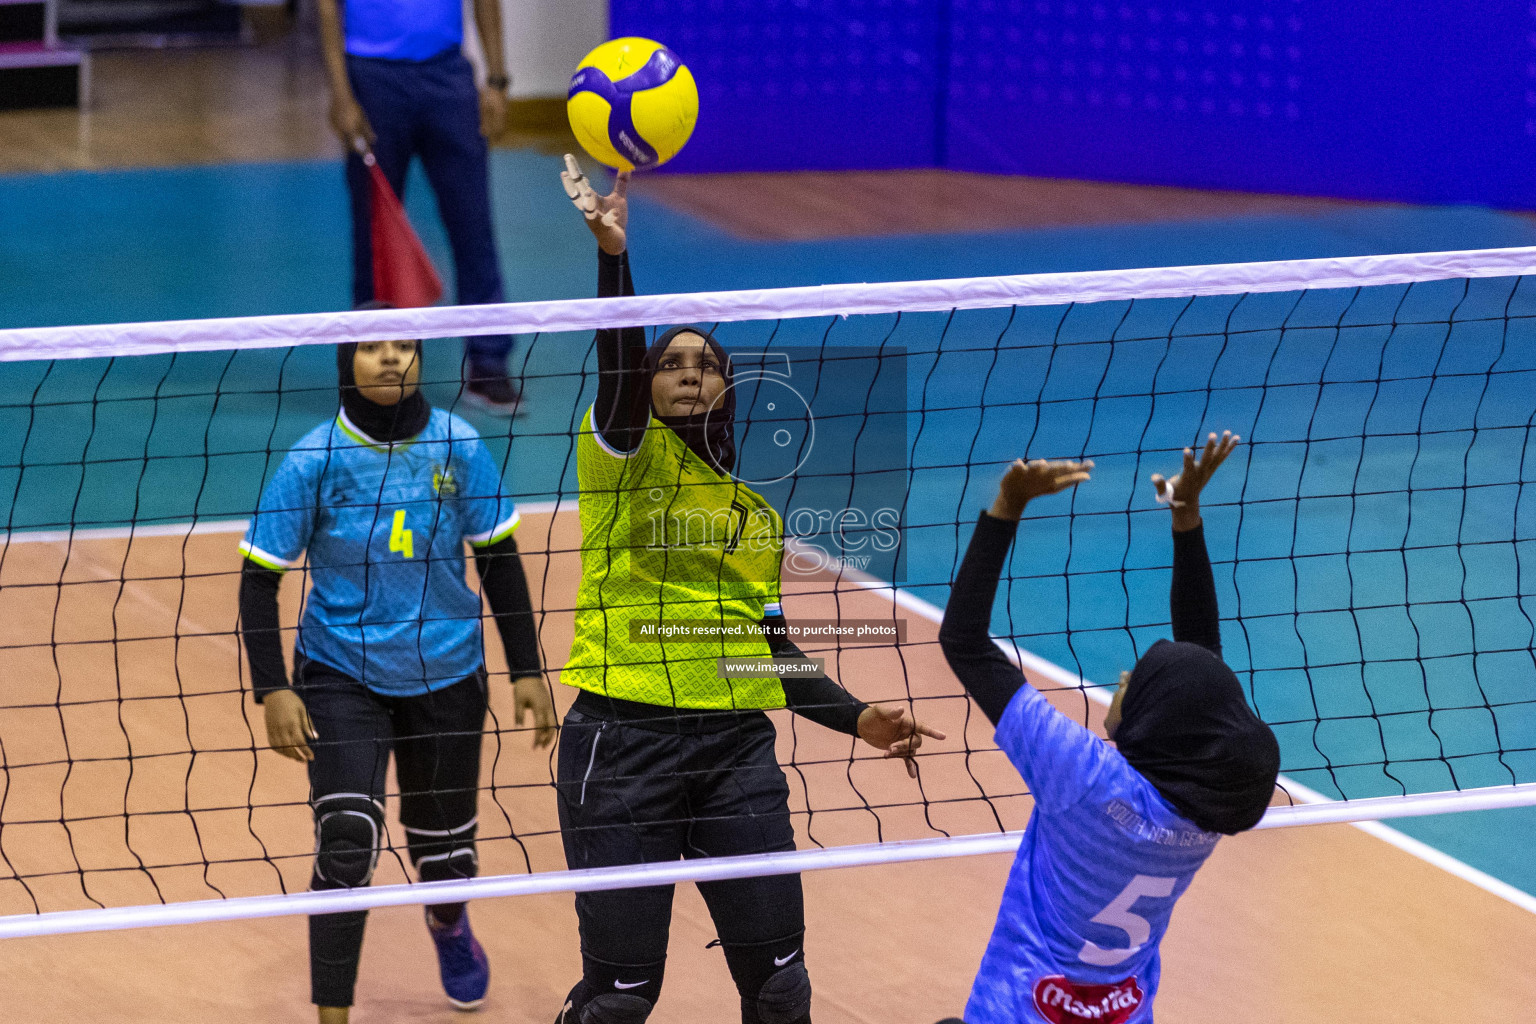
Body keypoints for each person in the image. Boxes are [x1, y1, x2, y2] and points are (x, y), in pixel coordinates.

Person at [553, 153, 946, 1024]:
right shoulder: (624, 457)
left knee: (779, 989)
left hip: (735, 754)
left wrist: (858, 716)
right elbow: (616, 374)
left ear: (729, 390)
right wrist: (614, 261)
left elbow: (760, 649)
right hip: (622, 748)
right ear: (649, 391)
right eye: (672, 363)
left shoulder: (755, 517)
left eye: (707, 363)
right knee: (620, 999)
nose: (689, 371)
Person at [237, 332, 558, 1022]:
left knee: (445, 860)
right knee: (348, 840)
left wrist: (526, 667)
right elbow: (258, 578)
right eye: (371, 347)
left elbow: (499, 559)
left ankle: (448, 925)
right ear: (345, 363)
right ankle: (333, 1013)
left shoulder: (458, 443)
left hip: (448, 671)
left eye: (404, 345)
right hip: (339, 672)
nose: (389, 357)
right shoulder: (315, 457)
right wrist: (275, 688)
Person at [936, 433, 1281, 1024]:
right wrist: (1186, 515)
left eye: (1134, 681)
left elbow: (963, 640)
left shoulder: (1083, 777)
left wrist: (1006, 507)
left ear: (1151, 722)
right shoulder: (1205, 805)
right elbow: (1203, 672)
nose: (1123, 676)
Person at [316, 0, 521, 414]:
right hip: (371, 81)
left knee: (473, 225)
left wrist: (497, 82)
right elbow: (326, 8)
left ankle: (488, 364)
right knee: (374, 234)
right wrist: (341, 94)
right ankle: (371, 371)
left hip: (448, 79)